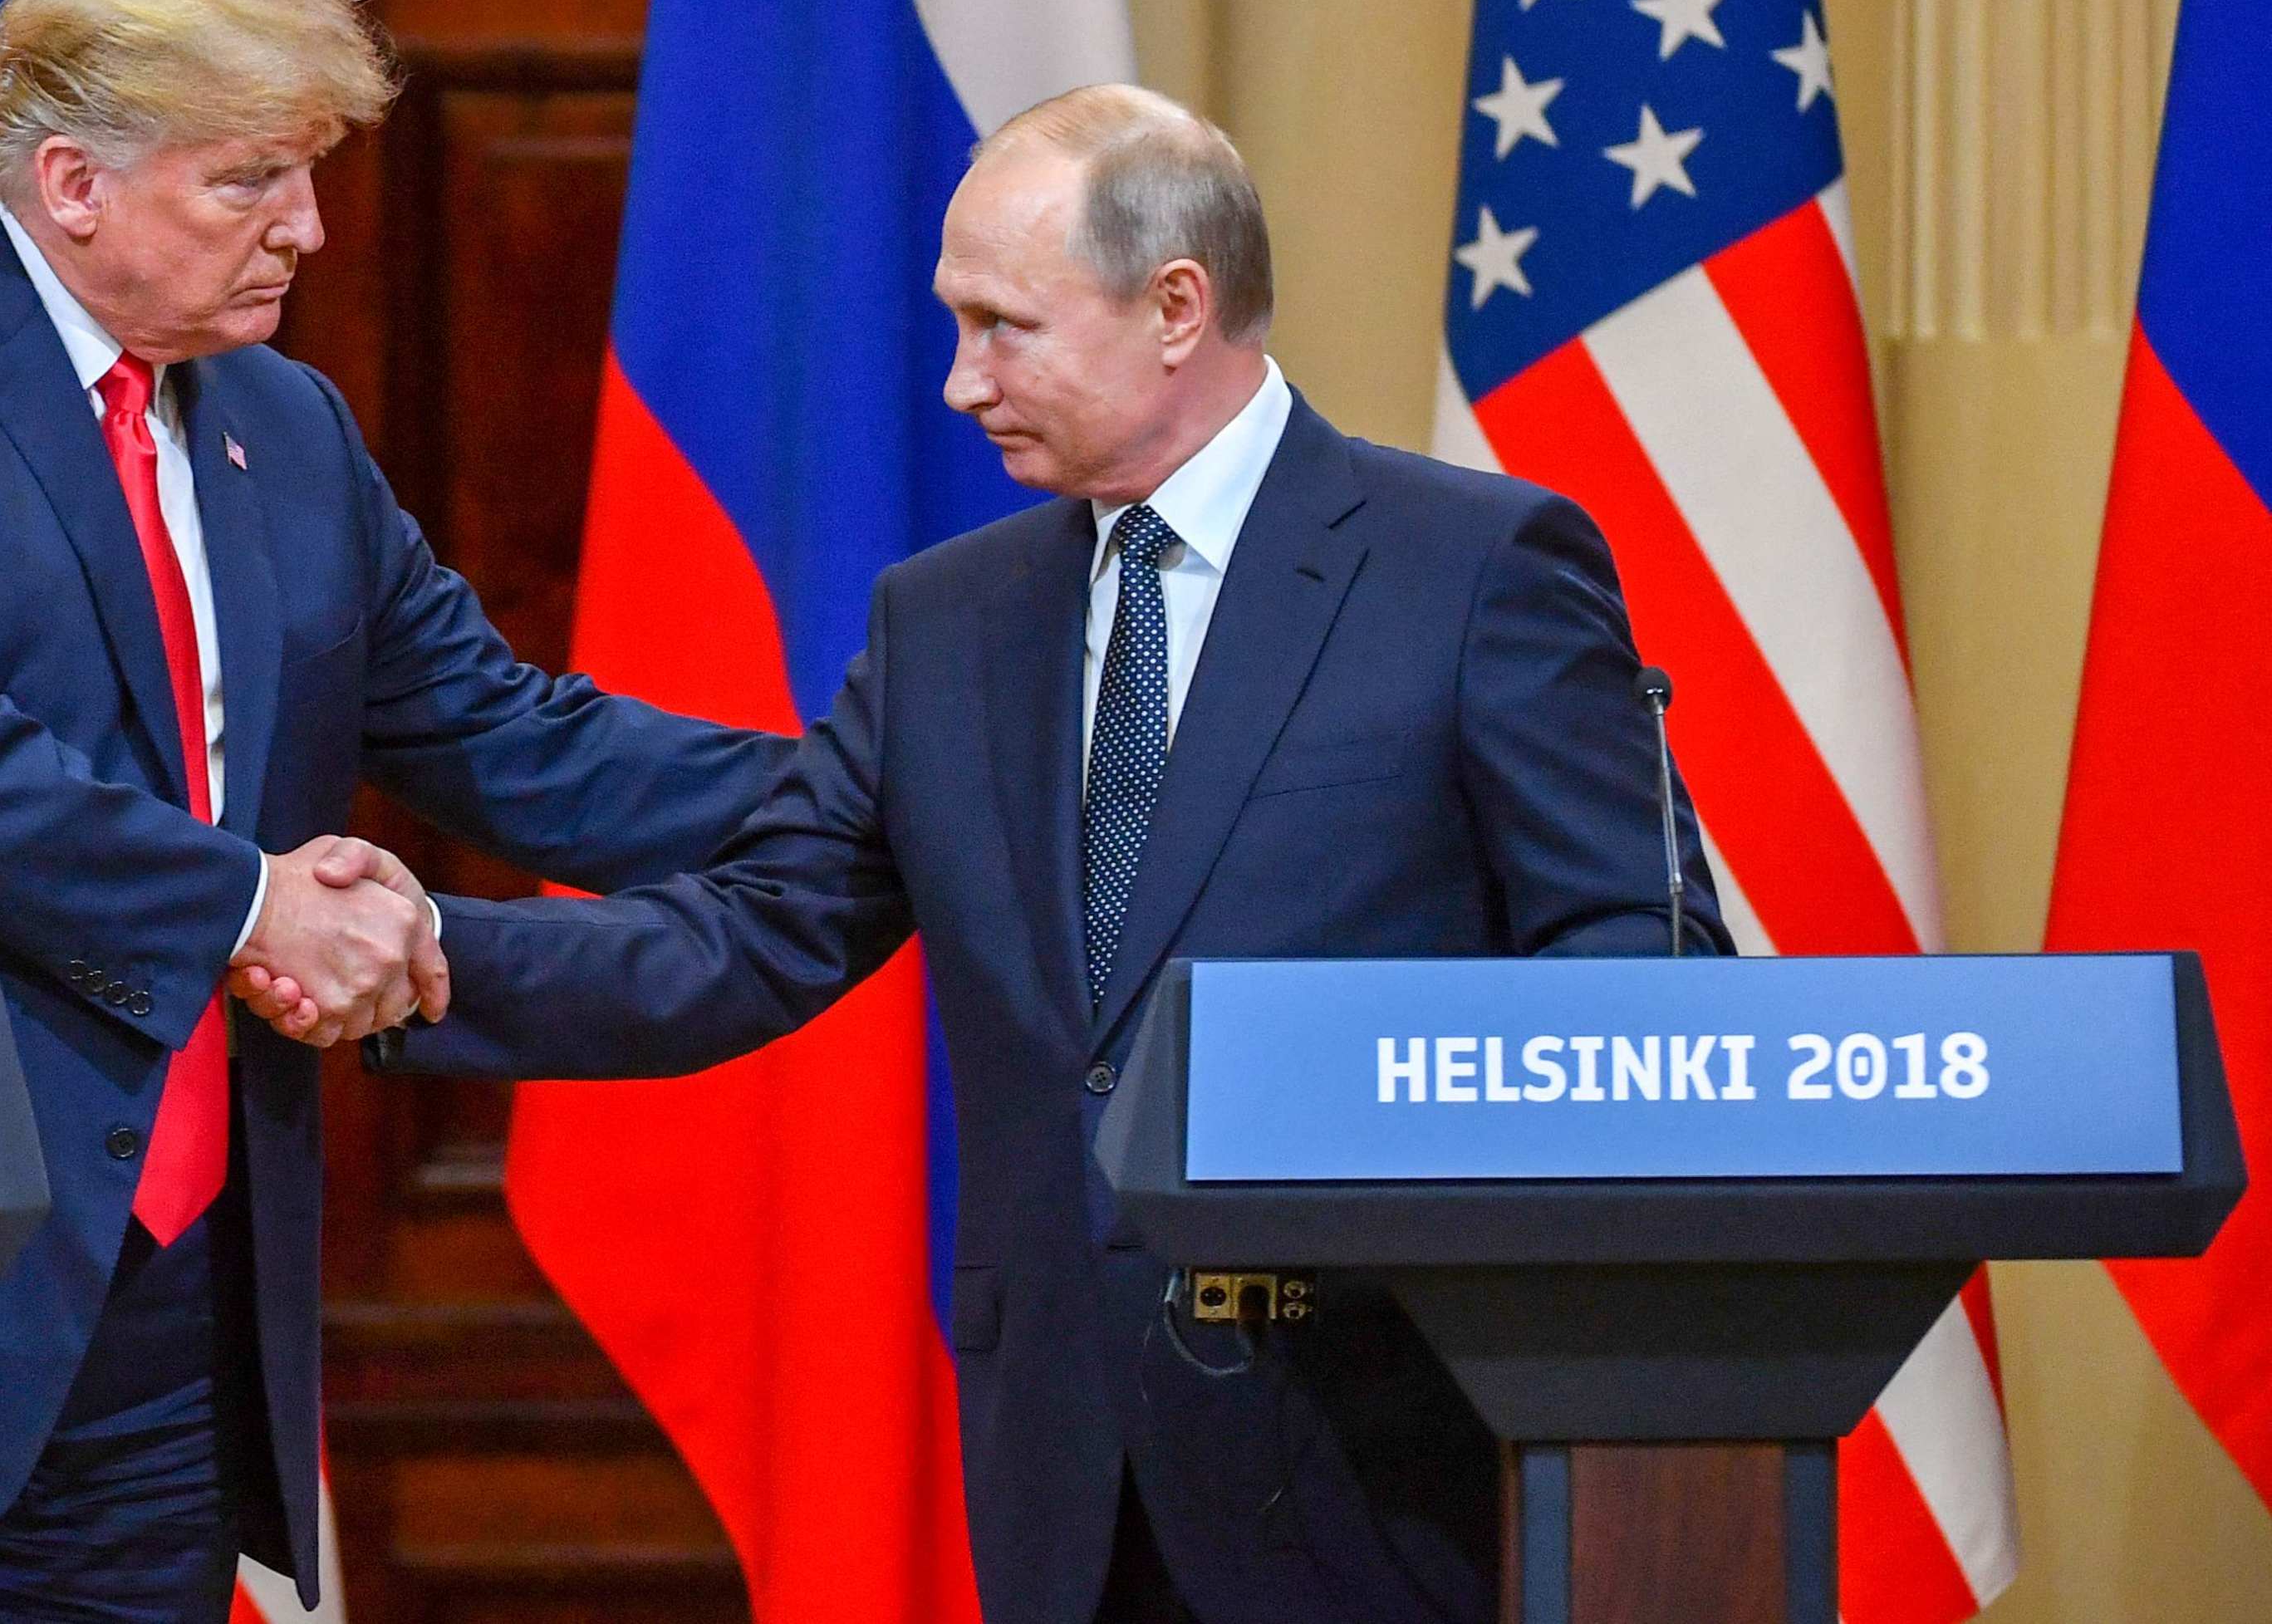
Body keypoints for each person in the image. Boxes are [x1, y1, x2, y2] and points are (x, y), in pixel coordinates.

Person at [248, 84, 1727, 1624]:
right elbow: (749, 934)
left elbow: (1639, 972)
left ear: (1176, 306)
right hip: (1070, 1466)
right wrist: (412, 958)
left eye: (1003, 326)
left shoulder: (1475, 568)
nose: (961, 382)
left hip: (1394, 1448)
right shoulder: (949, 619)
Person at [0, 0, 791, 1622]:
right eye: (251, 180)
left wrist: (886, 795)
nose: (304, 225)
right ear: (72, 182)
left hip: (154, 1326)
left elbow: (507, 731)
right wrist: (248, 908)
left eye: (305, 174)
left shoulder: (275, 424)